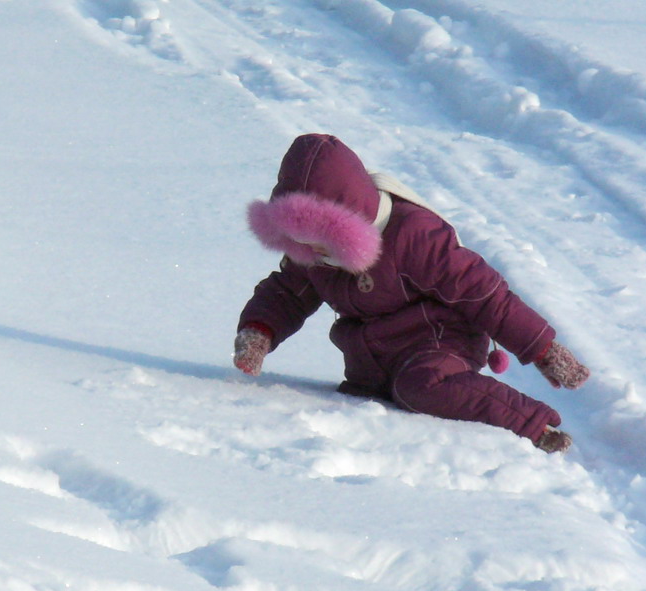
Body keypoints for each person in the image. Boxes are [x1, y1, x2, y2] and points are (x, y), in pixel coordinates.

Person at [233, 133, 589, 453]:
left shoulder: (414, 236)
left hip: (439, 340)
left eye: (321, 241)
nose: (315, 253)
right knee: (365, 398)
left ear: (349, 225)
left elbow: (485, 294)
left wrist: (543, 349)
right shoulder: (310, 252)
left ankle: (532, 425)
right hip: (374, 357)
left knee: (422, 385)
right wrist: (259, 330)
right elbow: (288, 292)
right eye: (301, 243)